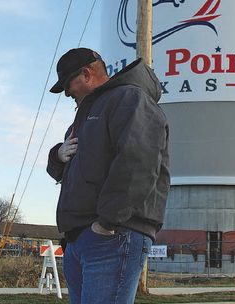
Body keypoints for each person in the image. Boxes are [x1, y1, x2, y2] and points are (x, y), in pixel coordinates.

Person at [46, 47, 170, 304]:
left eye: (69, 83)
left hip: (111, 236)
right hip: (80, 239)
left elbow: (138, 162)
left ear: (87, 73)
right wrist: (58, 155)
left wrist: (107, 223)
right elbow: (68, 171)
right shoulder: (85, 117)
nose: (67, 92)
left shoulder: (129, 98)